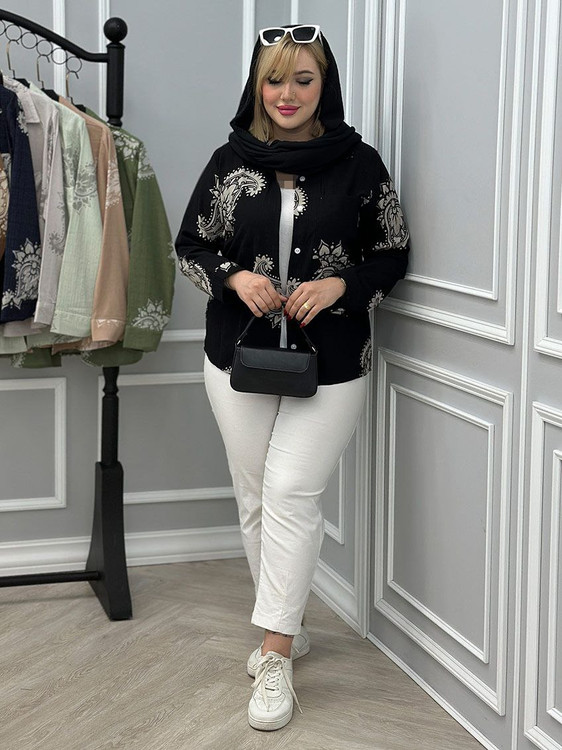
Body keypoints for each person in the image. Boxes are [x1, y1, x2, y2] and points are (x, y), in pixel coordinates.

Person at [175, 23, 410, 732]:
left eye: (302, 79)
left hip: (333, 361)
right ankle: (290, 624)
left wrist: (342, 285)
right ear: (258, 86)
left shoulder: (359, 164)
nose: (286, 94)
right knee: (255, 497)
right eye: (274, 79)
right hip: (237, 357)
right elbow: (190, 246)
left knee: (289, 492)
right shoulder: (228, 162)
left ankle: (274, 655)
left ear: (323, 86)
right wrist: (233, 276)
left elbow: (393, 252)